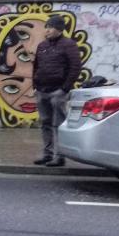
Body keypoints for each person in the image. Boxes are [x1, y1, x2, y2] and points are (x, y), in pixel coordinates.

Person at [32, 14, 82, 167]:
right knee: (45, 123)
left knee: (58, 124)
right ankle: (47, 154)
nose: (47, 30)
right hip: (41, 90)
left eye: (50, 27)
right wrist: (35, 86)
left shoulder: (69, 45)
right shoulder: (42, 45)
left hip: (58, 92)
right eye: (46, 27)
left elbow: (75, 67)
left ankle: (59, 156)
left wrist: (64, 89)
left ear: (59, 29)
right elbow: (36, 66)